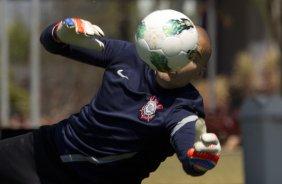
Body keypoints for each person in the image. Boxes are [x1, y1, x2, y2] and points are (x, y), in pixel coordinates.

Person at [0, 10, 221, 184]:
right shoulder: (128, 56)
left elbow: (190, 152)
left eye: (192, 56)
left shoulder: (184, 107)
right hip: (45, 153)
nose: (179, 56)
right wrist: (60, 32)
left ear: (200, 72)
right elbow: (52, 43)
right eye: (178, 44)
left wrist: (198, 159)